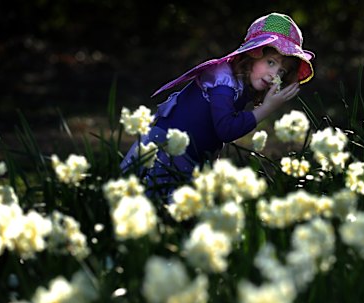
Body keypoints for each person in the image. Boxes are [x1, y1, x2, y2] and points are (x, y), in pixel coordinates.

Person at [120, 12, 315, 199]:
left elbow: (213, 133)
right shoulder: (223, 81)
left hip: (188, 156)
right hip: (164, 151)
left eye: (282, 71)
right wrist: (266, 109)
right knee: (148, 208)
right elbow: (225, 129)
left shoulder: (241, 85)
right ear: (252, 54)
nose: (275, 75)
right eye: (270, 62)